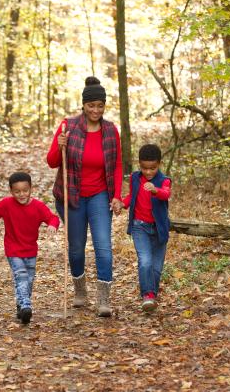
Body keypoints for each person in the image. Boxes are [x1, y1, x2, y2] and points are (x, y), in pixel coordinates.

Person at [46, 76, 123, 317]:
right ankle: (80, 291)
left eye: (100, 106)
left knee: (103, 246)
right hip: (73, 196)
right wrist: (60, 145)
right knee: (77, 247)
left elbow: (118, 164)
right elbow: (51, 162)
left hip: (100, 196)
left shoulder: (110, 130)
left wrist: (117, 195)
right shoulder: (68, 127)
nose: (96, 110)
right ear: (83, 105)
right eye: (91, 106)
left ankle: (103, 299)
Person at [0, 172, 59, 324]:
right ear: (11, 191)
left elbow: (53, 217)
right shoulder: (6, 204)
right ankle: (26, 306)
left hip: (31, 250)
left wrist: (52, 225)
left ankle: (21, 305)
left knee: (28, 281)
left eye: (25, 190)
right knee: (21, 276)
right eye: (17, 191)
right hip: (13, 250)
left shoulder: (38, 206)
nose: (21, 194)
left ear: (31, 189)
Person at [121, 144, 172, 312]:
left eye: (153, 168)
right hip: (139, 226)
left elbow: (166, 193)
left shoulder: (164, 180)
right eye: (144, 168)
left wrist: (155, 190)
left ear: (159, 164)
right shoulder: (135, 178)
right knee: (145, 261)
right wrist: (122, 204)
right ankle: (147, 295)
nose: (148, 172)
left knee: (156, 268)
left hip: (159, 230)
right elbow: (131, 196)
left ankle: (152, 296)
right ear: (139, 164)